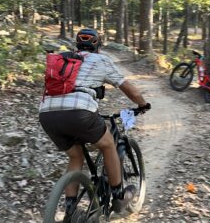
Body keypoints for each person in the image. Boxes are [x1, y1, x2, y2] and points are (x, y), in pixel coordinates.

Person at [39, 28, 151, 214]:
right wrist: (142, 105)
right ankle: (118, 197)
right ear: (97, 46)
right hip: (79, 112)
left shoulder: (63, 60)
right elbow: (131, 90)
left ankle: (71, 210)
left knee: (75, 156)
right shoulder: (101, 60)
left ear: (77, 44)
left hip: (47, 115)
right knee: (108, 144)